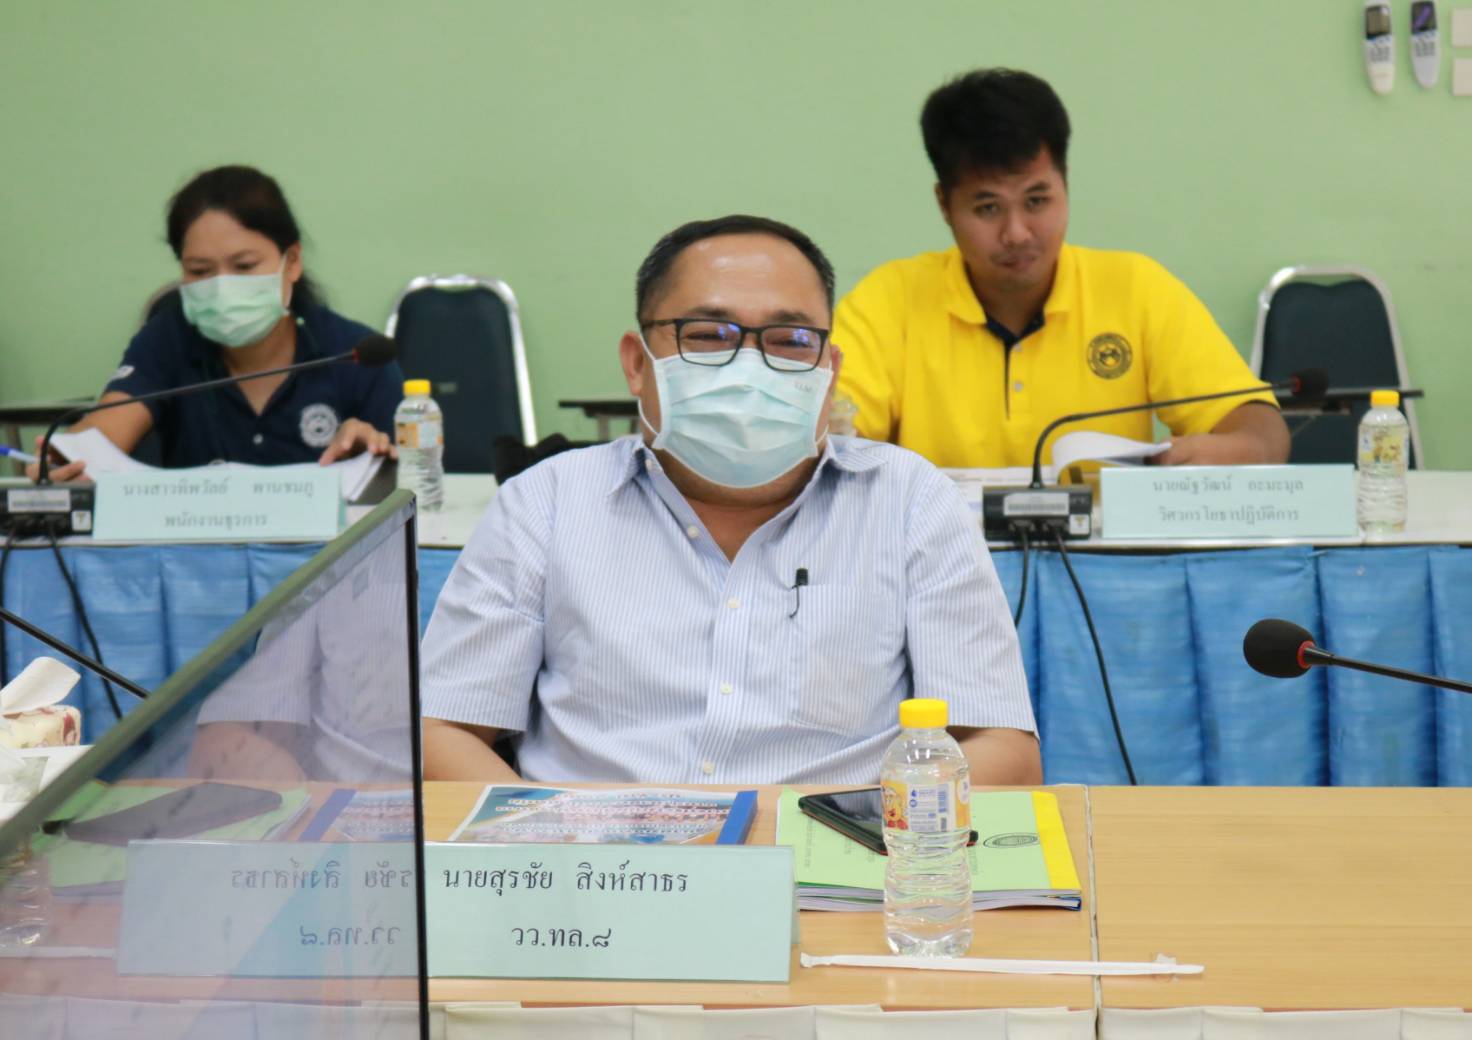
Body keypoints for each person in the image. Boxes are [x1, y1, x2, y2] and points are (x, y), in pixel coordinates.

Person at [420, 215, 1040, 786]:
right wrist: (552, 844)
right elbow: (443, 731)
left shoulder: (910, 502)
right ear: (637, 363)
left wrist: (872, 843)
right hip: (596, 859)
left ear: (829, 370)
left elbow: (999, 747)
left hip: (842, 855)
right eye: (709, 335)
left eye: (790, 339)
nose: (750, 367)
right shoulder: (547, 503)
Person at [833, 69, 1290, 470]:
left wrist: (1236, 448)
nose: (1017, 233)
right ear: (945, 206)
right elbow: (831, 436)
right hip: (936, 544)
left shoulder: (1135, 288)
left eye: (1037, 201)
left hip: (1107, 545)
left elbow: (1261, 429)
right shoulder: (890, 300)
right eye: (988, 207)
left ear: (1065, 185)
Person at [31, 165, 400, 481]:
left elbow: (410, 486)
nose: (222, 286)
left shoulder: (356, 355)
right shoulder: (169, 338)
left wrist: (369, 458)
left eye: (244, 266)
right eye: (200, 271)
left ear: (292, 262)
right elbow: (105, 432)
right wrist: (66, 459)